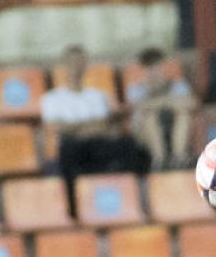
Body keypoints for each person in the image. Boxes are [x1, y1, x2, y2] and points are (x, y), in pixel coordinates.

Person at [42, 45, 150, 215]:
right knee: (68, 148)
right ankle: (73, 210)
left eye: (80, 62)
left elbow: (103, 126)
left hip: (98, 146)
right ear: (64, 65)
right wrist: (88, 126)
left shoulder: (98, 96)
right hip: (73, 149)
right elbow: (58, 128)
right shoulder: (52, 98)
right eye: (72, 62)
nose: (77, 66)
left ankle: (136, 204)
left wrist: (76, 127)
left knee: (130, 146)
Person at [125, 48, 195, 171]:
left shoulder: (178, 85)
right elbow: (139, 107)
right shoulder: (135, 89)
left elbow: (190, 104)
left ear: (163, 67)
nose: (153, 71)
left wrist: (157, 102)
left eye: (155, 66)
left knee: (183, 115)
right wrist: (167, 101)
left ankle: (179, 159)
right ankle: (159, 160)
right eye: (149, 67)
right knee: (150, 116)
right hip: (143, 131)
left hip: (173, 126)